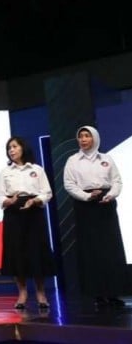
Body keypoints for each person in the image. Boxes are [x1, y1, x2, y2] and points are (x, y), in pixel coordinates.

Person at [63, 125, 127, 307]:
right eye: (81, 136)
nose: (83, 139)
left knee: (110, 248)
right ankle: (97, 293)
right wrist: (86, 196)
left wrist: (110, 195)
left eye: (87, 136)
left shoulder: (106, 159)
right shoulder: (72, 160)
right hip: (85, 206)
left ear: (95, 138)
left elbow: (116, 181)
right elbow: (69, 184)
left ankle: (113, 292)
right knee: (91, 250)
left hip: (105, 204)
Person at [0, 136, 55, 310]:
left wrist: (36, 200)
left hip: (34, 210)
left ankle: (41, 293)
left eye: (14, 147)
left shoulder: (37, 169)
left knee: (37, 251)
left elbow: (47, 192)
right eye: (9, 148)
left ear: (23, 148)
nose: (11, 150)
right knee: (17, 252)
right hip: (14, 212)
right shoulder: (5, 172)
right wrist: (8, 201)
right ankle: (22, 293)